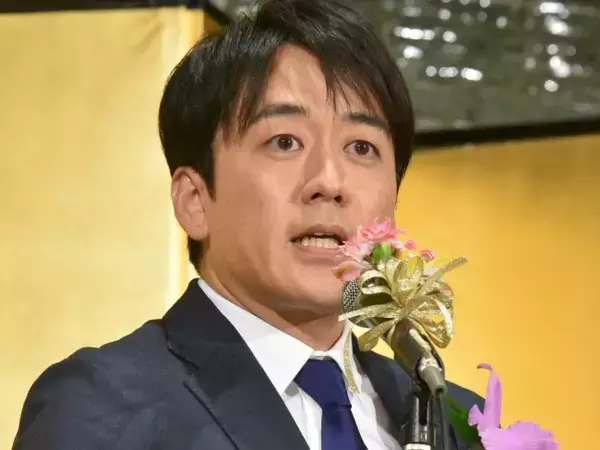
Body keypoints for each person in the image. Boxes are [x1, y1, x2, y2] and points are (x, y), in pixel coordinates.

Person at [13, 0, 482, 449]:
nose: (329, 181)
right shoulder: (104, 409)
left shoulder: (455, 420)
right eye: (285, 142)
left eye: (362, 147)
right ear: (195, 200)